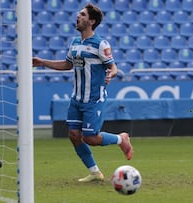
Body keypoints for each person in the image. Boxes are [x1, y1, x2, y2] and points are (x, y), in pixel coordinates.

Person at [32, 3, 133, 182]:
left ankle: (121, 138)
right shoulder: (75, 43)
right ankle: (94, 172)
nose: (78, 17)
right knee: (73, 135)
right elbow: (67, 64)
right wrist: (42, 62)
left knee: (90, 138)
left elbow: (113, 65)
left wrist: (113, 73)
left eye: (83, 15)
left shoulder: (100, 44)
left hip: (93, 99)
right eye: (79, 14)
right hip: (77, 98)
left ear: (92, 21)